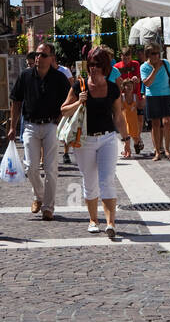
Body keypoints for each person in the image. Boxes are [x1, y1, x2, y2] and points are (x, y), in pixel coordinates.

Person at [59, 46, 130, 239]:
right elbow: (64, 110)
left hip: (107, 138)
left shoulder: (113, 88)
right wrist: (79, 102)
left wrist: (127, 139)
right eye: (90, 64)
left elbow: (118, 116)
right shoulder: (79, 86)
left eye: (97, 65)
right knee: (90, 181)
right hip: (85, 140)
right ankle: (93, 220)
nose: (93, 68)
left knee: (107, 180)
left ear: (105, 67)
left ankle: (110, 223)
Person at [8, 43, 71, 221]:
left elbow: (69, 101)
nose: (38, 57)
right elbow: (16, 101)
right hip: (30, 125)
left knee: (51, 168)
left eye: (43, 55)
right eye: (36, 54)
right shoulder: (25, 76)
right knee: (30, 167)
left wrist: (59, 120)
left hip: (51, 125)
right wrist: (13, 126)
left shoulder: (59, 78)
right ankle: (39, 196)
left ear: (51, 58)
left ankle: (48, 208)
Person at [141, 44, 170, 160]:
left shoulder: (165, 63)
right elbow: (147, 83)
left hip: (166, 95)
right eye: (153, 53)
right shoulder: (144, 67)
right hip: (152, 96)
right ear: (148, 55)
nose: (156, 56)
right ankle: (157, 151)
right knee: (155, 123)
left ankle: (167, 150)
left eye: (158, 53)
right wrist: (155, 69)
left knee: (167, 122)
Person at [113, 46, 145, 155]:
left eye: (128, 57)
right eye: (124, 57)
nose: (126, 60)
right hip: (123, 96)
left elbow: (140, 78)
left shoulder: (135, 64)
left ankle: (137, 138)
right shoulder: (117, 67)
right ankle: (127, 145)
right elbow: (115, 82)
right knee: (125, 119)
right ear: (120, 56)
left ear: (131, 57)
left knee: (139, 119)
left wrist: (136, 79)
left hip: (135, 94)